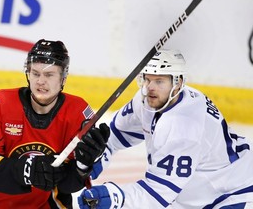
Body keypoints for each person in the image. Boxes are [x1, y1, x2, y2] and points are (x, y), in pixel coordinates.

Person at [78, 49, 253, 208]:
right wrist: (97, 156)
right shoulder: (147, 99)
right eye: (147, 79)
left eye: (159, 81)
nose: (150, 88)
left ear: (178, 83)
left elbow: (157, 194)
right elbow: (116, 133)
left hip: (234, 192)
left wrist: (115, 196)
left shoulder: (183, 129)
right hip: (199, 191)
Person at [0, 39, 110, 209]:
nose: (40, 81)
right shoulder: (1, 104)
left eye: (49, 75)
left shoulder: (77, 113)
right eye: (35, 73)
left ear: (63, 77)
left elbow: (68, 186)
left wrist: (82, 166)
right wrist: (28, 170)